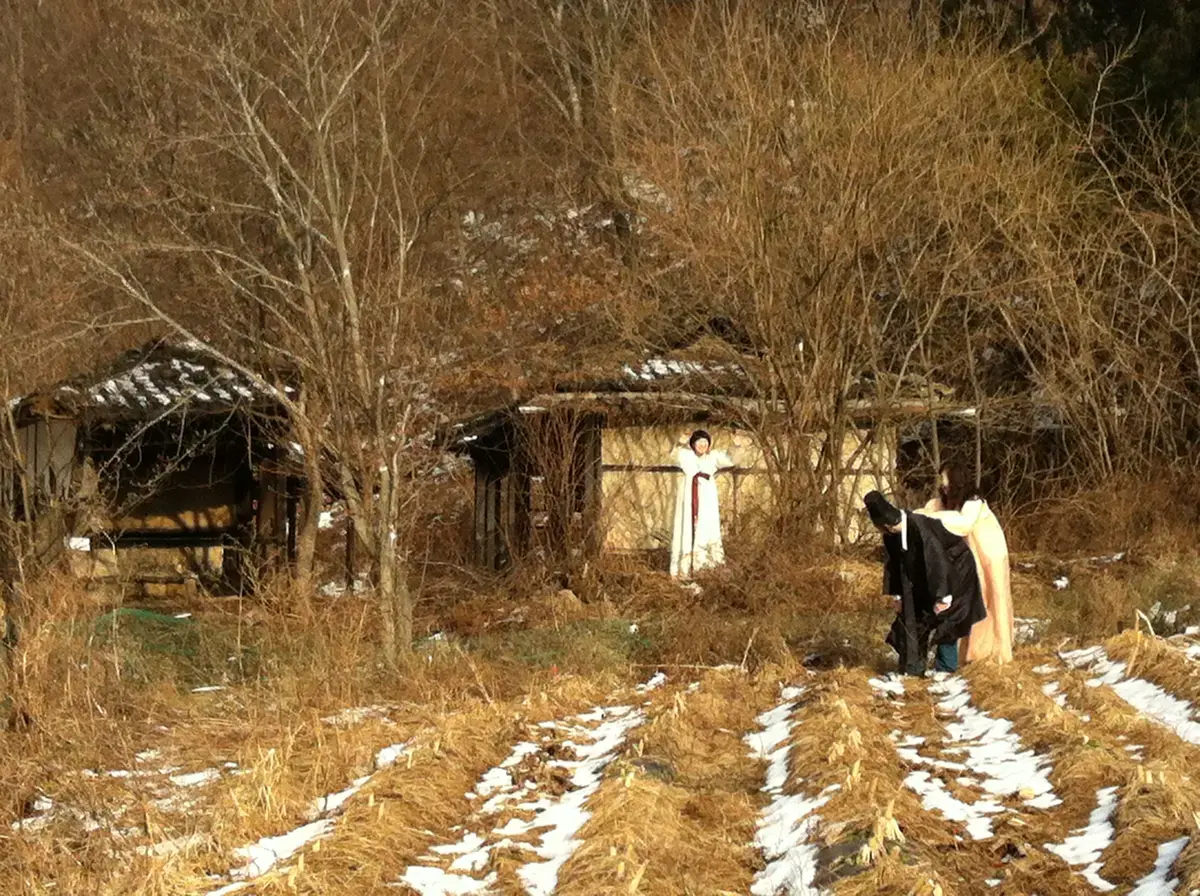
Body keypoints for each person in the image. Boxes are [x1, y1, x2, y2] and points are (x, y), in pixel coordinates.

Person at [864, 490, 986, 676]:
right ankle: (913, 669)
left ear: (888, 525)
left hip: (956, 572)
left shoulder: (921, 528)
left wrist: (943, 596)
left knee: (947, 621)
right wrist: (898, 595)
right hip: (925, 576)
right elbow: (895, 565)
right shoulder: (891, 536)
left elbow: (937, 562)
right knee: (912, 617)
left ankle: (946, 670)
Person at [917, 462, 1014, 664]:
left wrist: (930, 519)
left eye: (946, 482)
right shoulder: (943, 504)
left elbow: (962, 524)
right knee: (964, 603)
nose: (943, 487)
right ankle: (965, 655)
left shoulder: (973, 503)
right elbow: (926, 512)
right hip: (969, 558)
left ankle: (990, 652)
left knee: (988, 600)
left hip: (988, 555)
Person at [670, 429, 735, 579]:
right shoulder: (686, 456)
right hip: (688, 494)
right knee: (686, 527)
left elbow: (730, 459)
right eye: (699, 443)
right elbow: (674, 456)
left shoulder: (712, 458)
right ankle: (684, 568)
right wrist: (680, 442)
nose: (702, 446)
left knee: (706, 528)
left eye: (705, 443)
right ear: (693, 444)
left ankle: (705, 568)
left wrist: (736, 446)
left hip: (706, 497)